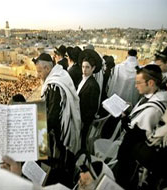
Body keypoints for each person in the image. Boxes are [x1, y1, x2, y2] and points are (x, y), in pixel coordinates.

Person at [114, 64, 167, 189]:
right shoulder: (149, 98)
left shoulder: (154, 109)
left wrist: (124, 118)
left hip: (133, 161)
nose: (135, 86)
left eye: (138, 82)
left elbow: (136, 135)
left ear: (150, 83)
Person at [33, 53, 81, 187]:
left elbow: (53, 117)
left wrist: (39, 132)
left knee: (60, 160)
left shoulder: (55, 84)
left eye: (39, 71)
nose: (38, 75)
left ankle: (60, 182)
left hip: (62, 131)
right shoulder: (61, 74)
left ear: (47, 68)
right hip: (67, 123)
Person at [77, 56, 100, 149]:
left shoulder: (93, 85)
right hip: (79, 116)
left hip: (83, 119)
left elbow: (93, 108)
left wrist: (83, 122)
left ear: (93, 68)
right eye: (83, 67)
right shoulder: (83, 79)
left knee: (82, 140)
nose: (84, 70)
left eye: (87, 67)